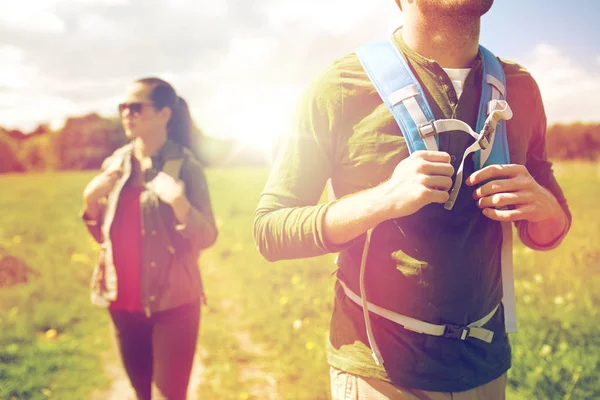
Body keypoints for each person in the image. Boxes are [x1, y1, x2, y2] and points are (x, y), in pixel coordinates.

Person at [253, 1, 571, 398]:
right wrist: (384, 199)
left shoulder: (520, 87)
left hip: (486, 369)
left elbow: (549, 229)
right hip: (381, 374)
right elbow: (270, 230)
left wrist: (545, 208)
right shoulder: (337, 86)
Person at [81, 77, 218, 400]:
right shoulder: (114, 165)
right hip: (122, 304)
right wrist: (89, 201)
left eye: (136, 107)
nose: (127, 114)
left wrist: (180, 204)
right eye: (123, 107)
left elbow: (208, 236)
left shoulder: (186, 166)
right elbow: (105, 237)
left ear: (164, 114)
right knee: (141, 394)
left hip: (174, 304)